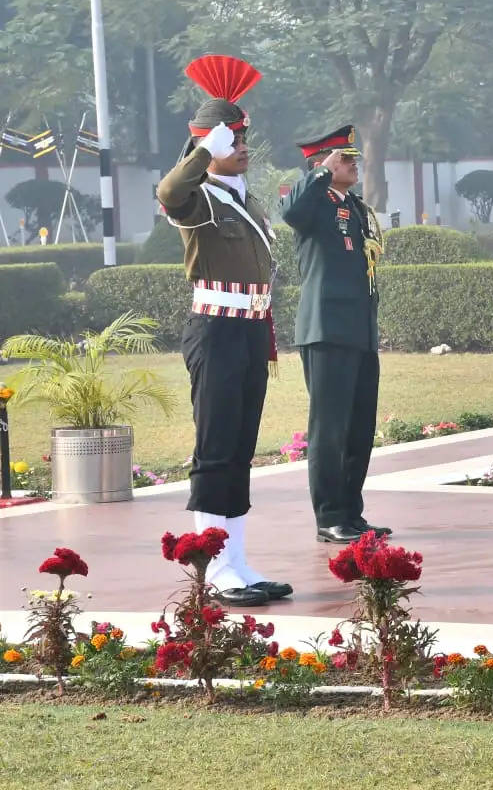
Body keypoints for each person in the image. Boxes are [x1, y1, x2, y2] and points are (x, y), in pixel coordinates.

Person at [156, 54, 292, 607]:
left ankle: (235, 560)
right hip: (214, 331)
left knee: (238, 449)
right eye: (232, 142)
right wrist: (202, 152)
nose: (243, 149)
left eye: (240, 140)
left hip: (248, 332)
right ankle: (211, 568)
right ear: (210, 146)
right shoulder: (199, 197)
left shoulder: (242, 198)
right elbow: (168, 193)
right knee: (215, 449)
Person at [281, 125, 391, 544]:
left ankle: (351, 511)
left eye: (352, 158)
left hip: (359, 330)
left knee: (358, 425)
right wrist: (320, 175)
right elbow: (291, 213)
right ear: (322, 163)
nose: (353, 164)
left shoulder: (354, 207)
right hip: (325, 330)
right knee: (329, 428)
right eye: (344, 158)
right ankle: (329, 515)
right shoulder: (313, 201)